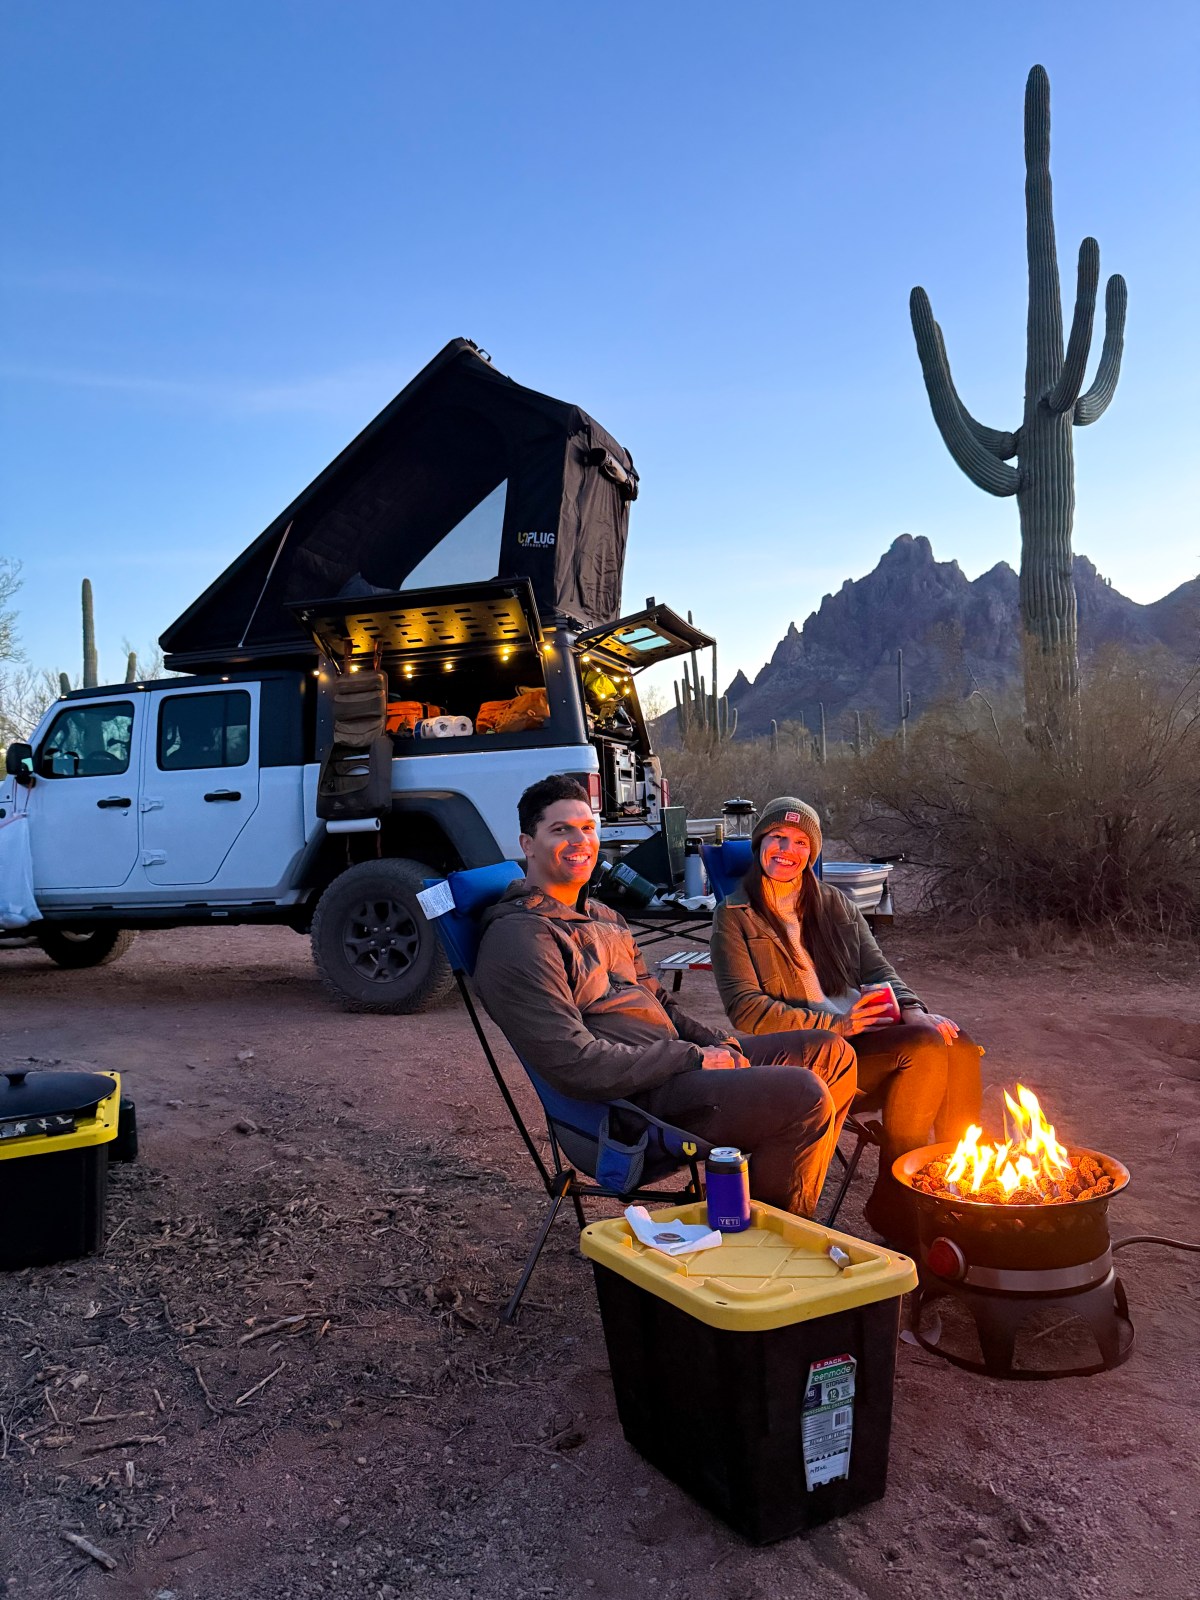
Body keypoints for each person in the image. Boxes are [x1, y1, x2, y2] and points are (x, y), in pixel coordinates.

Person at [474, 776, 857, 1219]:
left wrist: (717, 1044)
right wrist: (691, 1057)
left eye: (587, 828)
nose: (580, 840)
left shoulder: (604, 916)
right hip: (631, 1106)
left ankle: (750, 1203)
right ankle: (763, 1242)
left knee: (831, 1054)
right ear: (528, 844)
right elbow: (574, 1065)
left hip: (674, 1069)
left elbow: (664, 1005)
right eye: (561, 830)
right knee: (802, 1096)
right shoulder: (521, 938)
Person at [710, 796, 983, 1249]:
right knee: (924, 1048)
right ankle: (900, 1209)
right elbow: (746, 1010)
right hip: (811, 1056)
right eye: (778, 837)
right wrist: (839, 1025)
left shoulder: (834, 903)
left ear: (812, 852)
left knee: (958, 1043)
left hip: (866, 1039)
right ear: (760, 843)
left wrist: (915, 1010)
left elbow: (877, 969)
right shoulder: (734, 916)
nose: (787, 850)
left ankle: (955, 1189)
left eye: (800, 842)